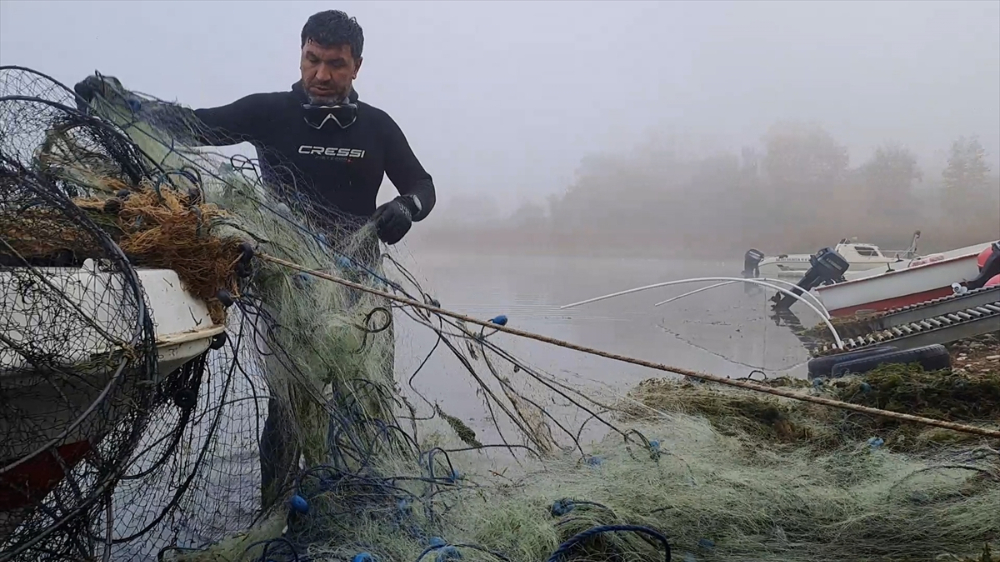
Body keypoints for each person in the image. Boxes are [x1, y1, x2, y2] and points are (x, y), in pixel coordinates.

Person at [75, 10, 436, 510]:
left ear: (357, 66)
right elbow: (194, 125)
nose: (322, 75)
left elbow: (423, 185)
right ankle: (276, 513)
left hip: (361, 288)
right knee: (288, 409)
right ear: (301, 54)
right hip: (291, 285)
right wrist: (123, 103)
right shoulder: (270, 112)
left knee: (365, 400)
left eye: (336, 64)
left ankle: (359, 506)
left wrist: (406, 207)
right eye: (313, 60)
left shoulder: (377, 126)